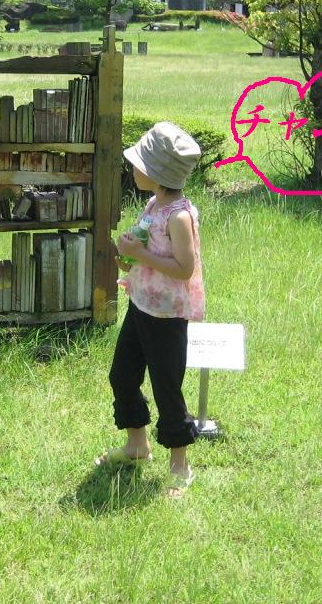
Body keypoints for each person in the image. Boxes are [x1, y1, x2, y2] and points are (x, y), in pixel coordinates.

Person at [97, 122, 206, 498]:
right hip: (141, 304)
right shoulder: (153, 204)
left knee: (166, 387)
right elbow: (148, 252)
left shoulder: (179, 216)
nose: (132, 168)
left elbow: (184, 268)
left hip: (167, 317)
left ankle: (180, 464)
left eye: (138, 163)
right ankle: (137, 444)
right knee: (122, 375)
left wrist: (140, 253)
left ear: (157, 173)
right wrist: (129, 259)